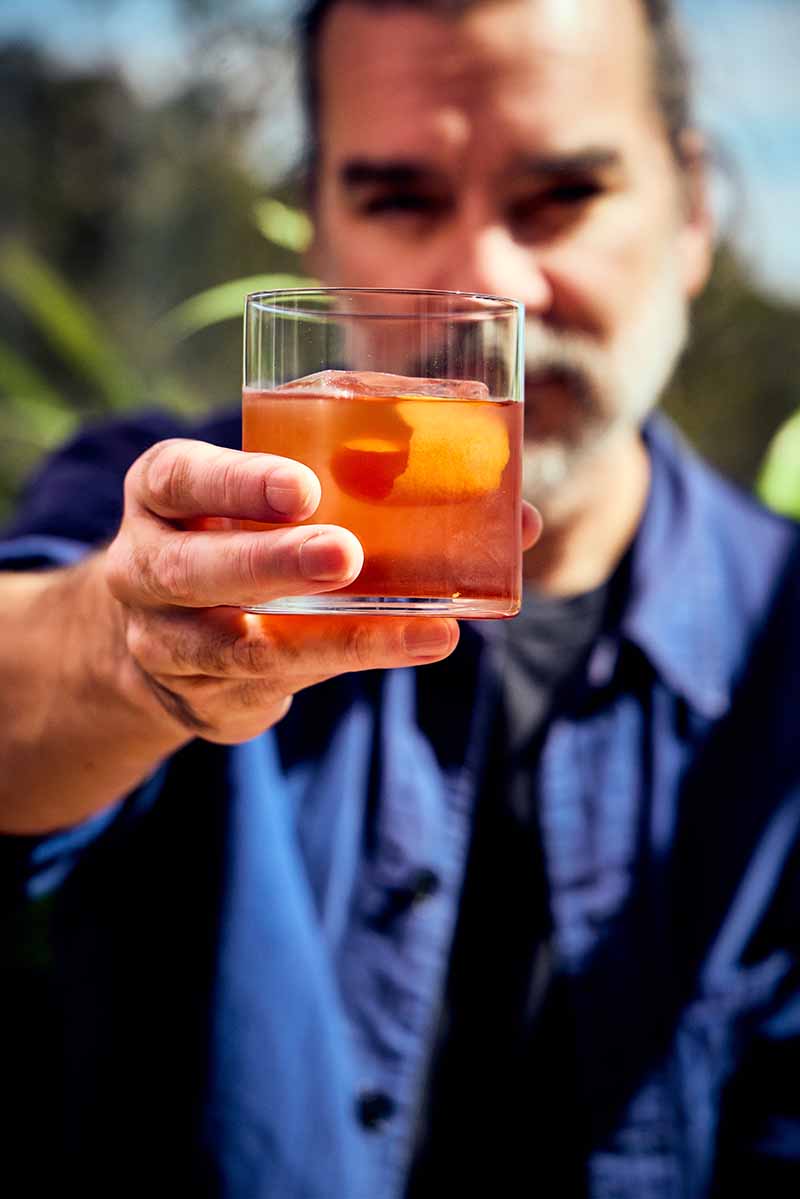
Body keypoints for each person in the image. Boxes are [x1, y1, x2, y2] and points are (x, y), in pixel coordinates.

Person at [2, 0, 800, 1195]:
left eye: (560, 196)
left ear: (689, 214)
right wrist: (139, 644)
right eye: (400, 200)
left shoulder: (786, 638)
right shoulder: (162, 510)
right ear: (316, 232)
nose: (490, 279)